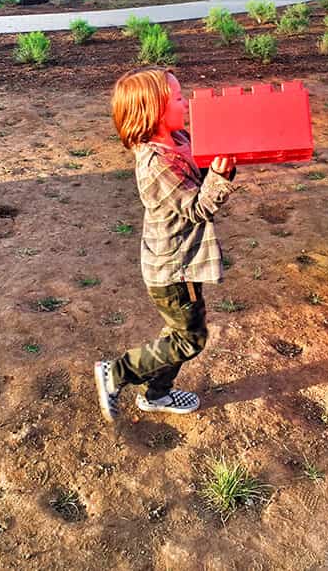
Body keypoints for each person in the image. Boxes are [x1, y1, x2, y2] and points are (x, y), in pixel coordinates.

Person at [95, 67, 237, 422]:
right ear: (153, 111)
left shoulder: (180, 139)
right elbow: (196, 207)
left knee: (179, 332)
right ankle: (116, 372)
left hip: (182, 262)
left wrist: (221, 167)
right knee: (191, 339)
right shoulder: (156, 164)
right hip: (174, 269)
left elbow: (200, 176)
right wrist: (219, 179)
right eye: (176, 97)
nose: (184, 102)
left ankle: (157, 394)